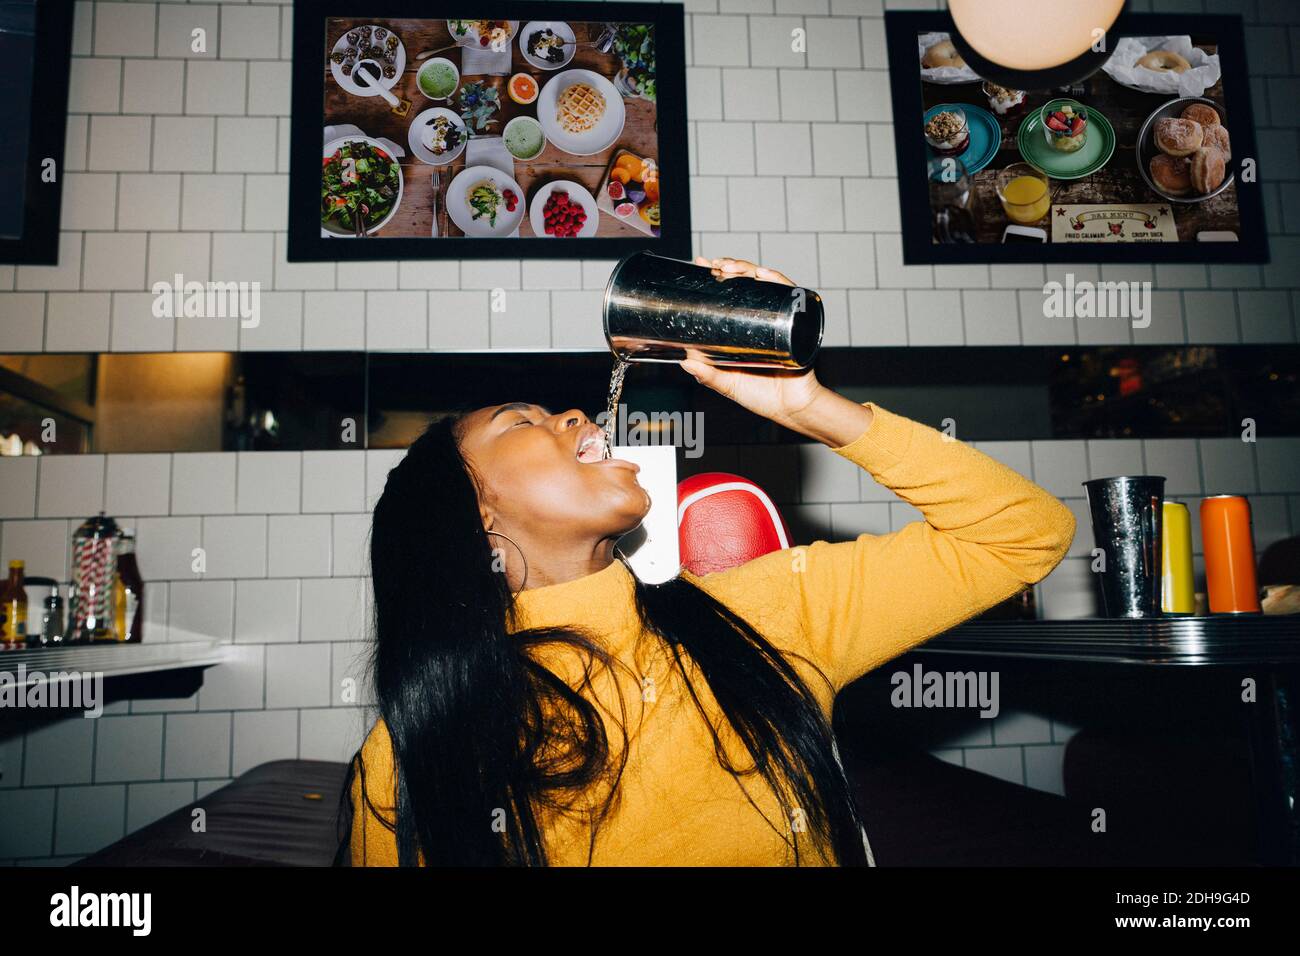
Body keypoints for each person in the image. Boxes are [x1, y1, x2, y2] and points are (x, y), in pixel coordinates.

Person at [346, 257, 1076, 866]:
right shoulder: (420, 751)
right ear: (475, 516)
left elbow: (1024, 534)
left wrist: (806, 407)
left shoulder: (765, 616)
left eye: (558, 410)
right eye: (521, 422)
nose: (573, 415)